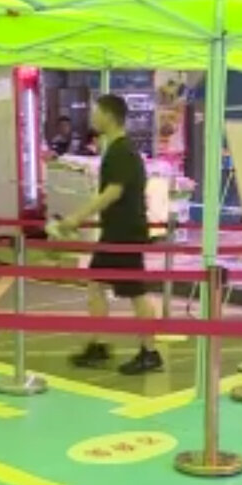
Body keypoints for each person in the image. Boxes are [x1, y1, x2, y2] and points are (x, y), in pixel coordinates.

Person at [59, 94, 162, 375]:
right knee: (95, 284)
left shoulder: (121, 152)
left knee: (136, 293)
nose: (93, 117)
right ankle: (99, 345)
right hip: (116, 232)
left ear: (109, 115)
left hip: (124, 235)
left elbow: (112, 192)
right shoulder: (118, 150)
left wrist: (77, 217)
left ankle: (150, 352)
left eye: (97, 112)